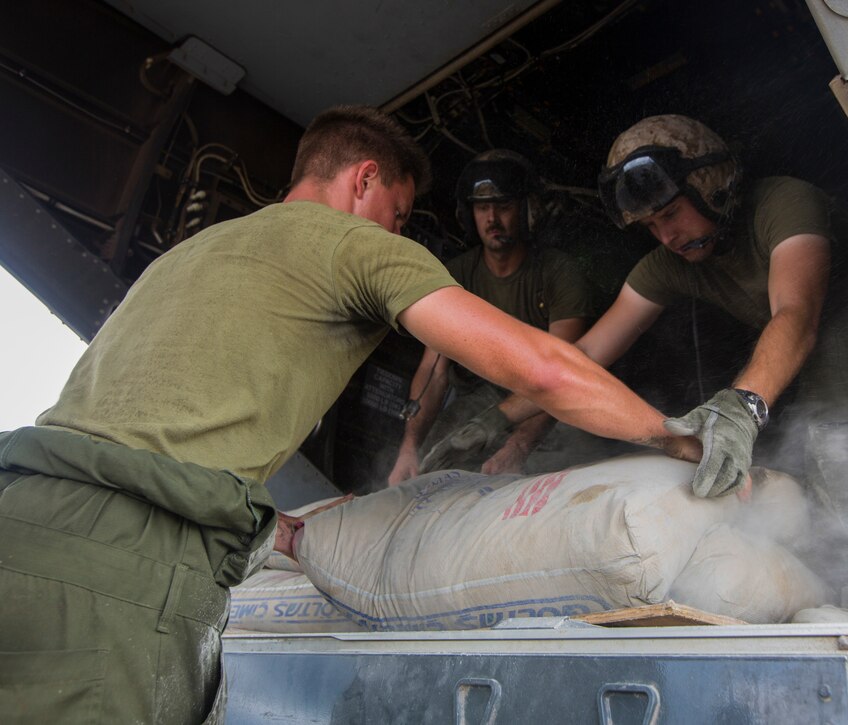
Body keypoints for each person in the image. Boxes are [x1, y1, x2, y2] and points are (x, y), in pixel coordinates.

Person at [0, 106, 696, 724]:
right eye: (397, 213)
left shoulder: (186, 255)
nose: (397, 231)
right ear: (363, 179)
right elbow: (541, 366)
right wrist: (667, 433)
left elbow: (161, 428)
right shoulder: (352, 244)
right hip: (119, 577)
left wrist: (287, 528)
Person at [422, 114, 848, 651]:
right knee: (784, 420)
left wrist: (743, 406)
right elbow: (584, 356)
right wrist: (499, 417)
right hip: (807, 347)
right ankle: (841, 584)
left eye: (672, 214)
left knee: (831, 361)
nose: (666, 235)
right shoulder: (671, 260)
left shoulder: (783, 202)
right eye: (652, 226)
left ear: (712, 185)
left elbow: (796, 316)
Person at [387, 150, 596, 484]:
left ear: (527, 210)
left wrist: (519, 445)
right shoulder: (455, 277)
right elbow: (433, 371)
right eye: (483, 208)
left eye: (504, 206)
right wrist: (409, 448)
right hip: (478, 401)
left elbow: (565, 372)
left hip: (547, 400)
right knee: (430, 469)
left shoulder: (558, 272)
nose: (492, 219)